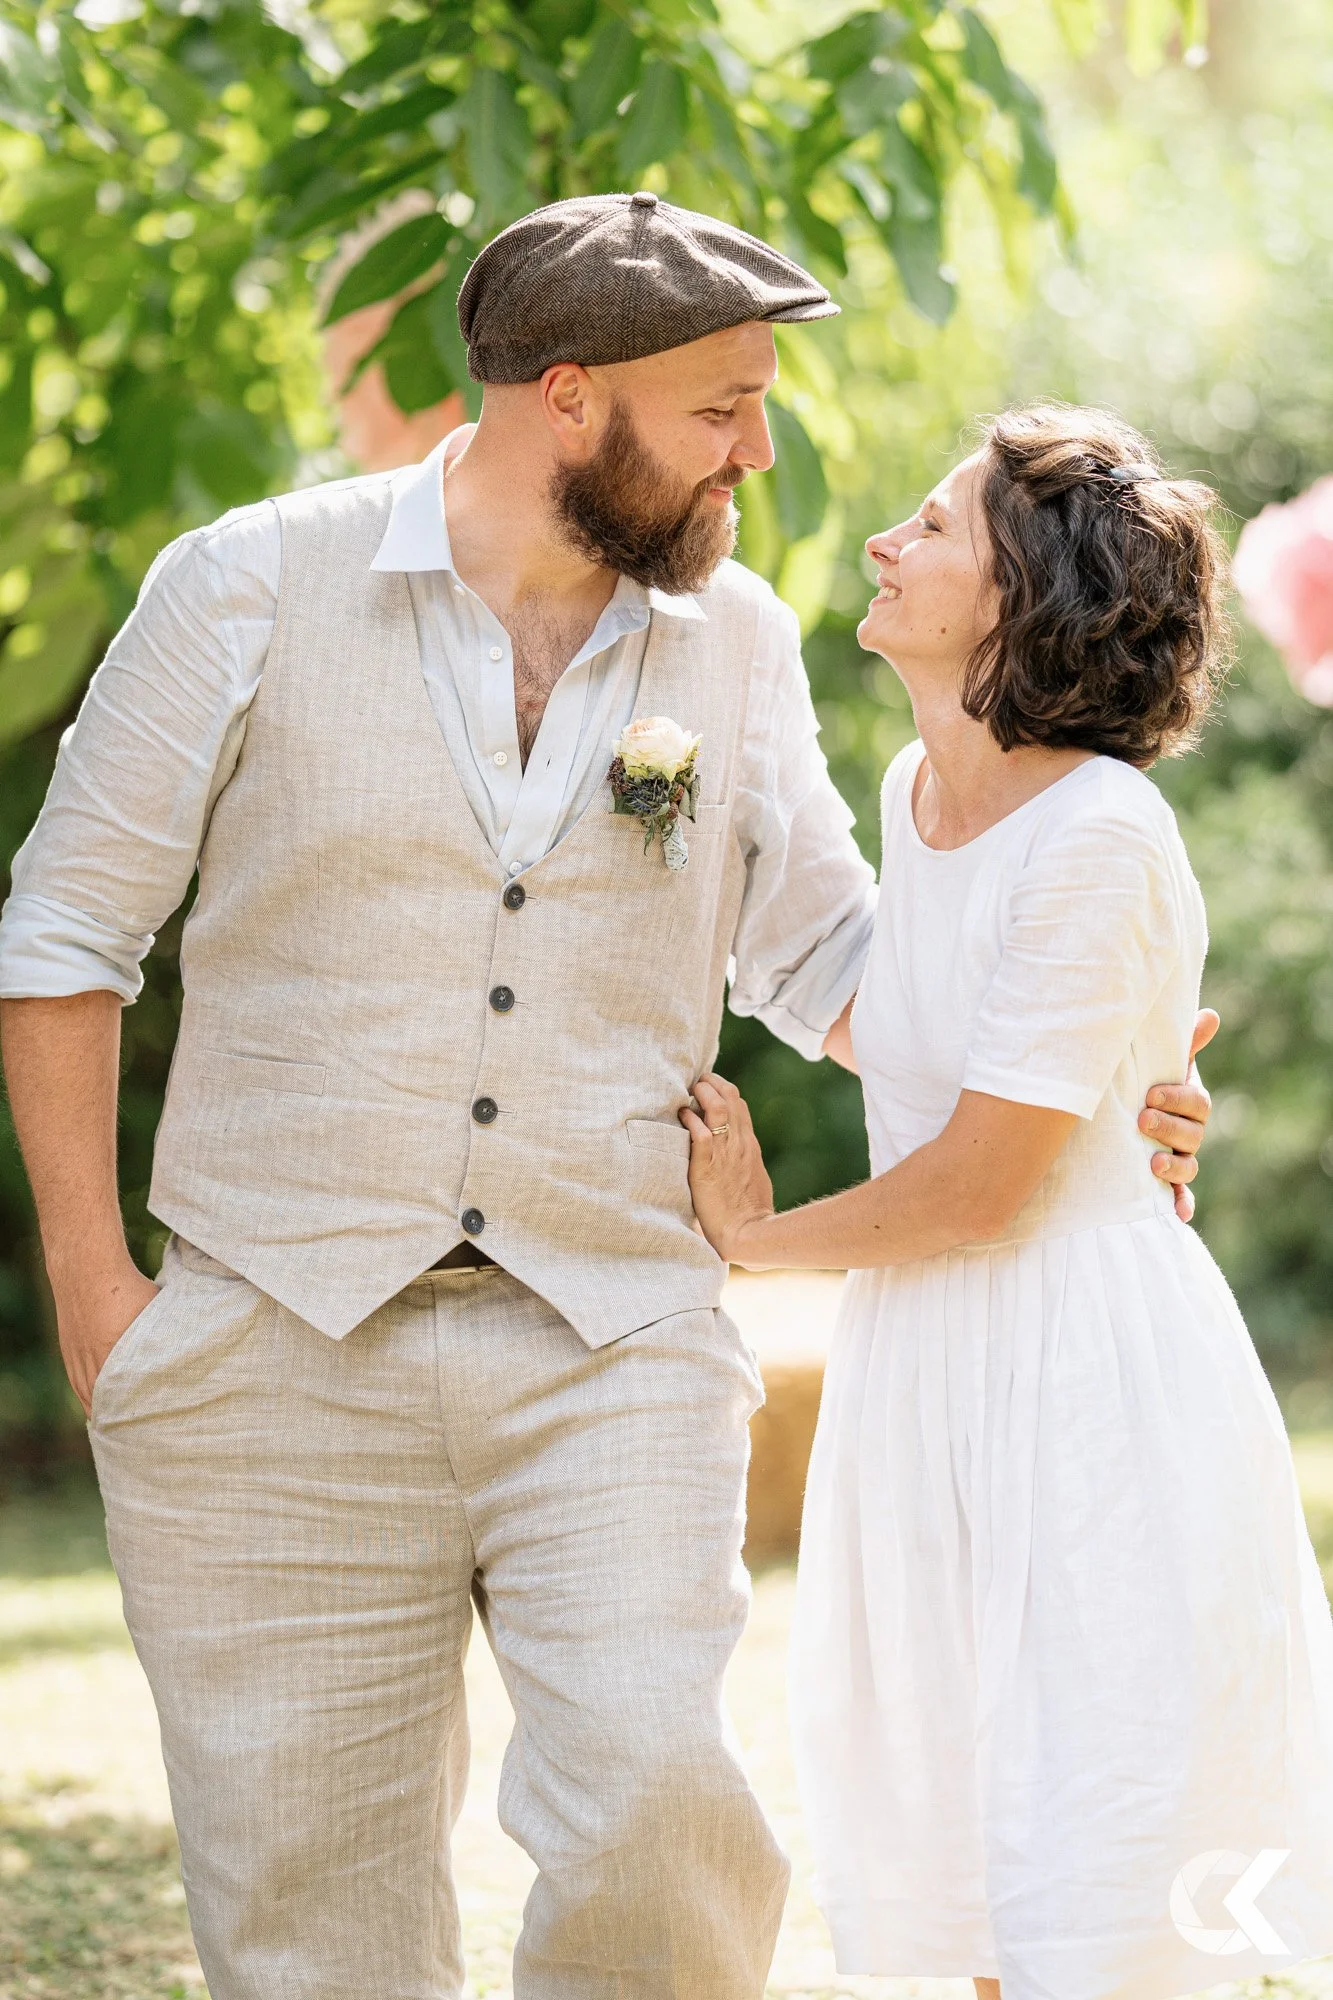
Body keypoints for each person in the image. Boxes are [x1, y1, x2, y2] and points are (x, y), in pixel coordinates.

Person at [0, 194, 1210, 1999]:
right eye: (723, 406)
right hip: (273, 1343)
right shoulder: (245, 583)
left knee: (663, 1809)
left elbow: (828, 966)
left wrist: (1091, 1077)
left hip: (614, 1338)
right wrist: (101, 1298)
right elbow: (65, 933)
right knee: (307, 1916)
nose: (763, 448)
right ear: (570, 399)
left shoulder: (729, 646)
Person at [682, 404, 1333, 2000]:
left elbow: (982, 1185)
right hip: (930, 1373)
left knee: (1083, 1849)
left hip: (1082, 1372)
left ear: (1020, 598)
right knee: (951, 1830)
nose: (887, 543)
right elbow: (911, 1018)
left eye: (933, 525)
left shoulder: (1104, 832)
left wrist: (751, 1235)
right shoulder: (915, 789)